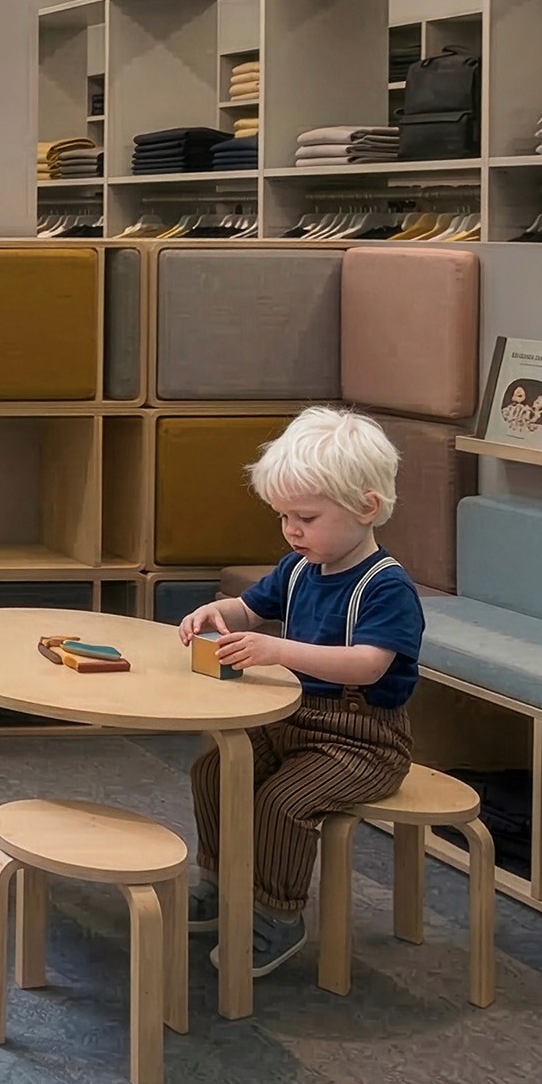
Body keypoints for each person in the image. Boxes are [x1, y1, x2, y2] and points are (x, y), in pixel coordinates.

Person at [177, 407, 425, 979]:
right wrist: (217, 611)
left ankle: (277, 914)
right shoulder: (297, 568)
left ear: (367, 507)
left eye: (307, 517)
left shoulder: (385, 586)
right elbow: (249, 608)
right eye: (284, 516)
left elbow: (368, 666)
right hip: (290, 721)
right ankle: (220, 883)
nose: (292, 530)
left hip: (361, 741)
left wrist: (278, 651)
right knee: (213, 771)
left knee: (282, 802)